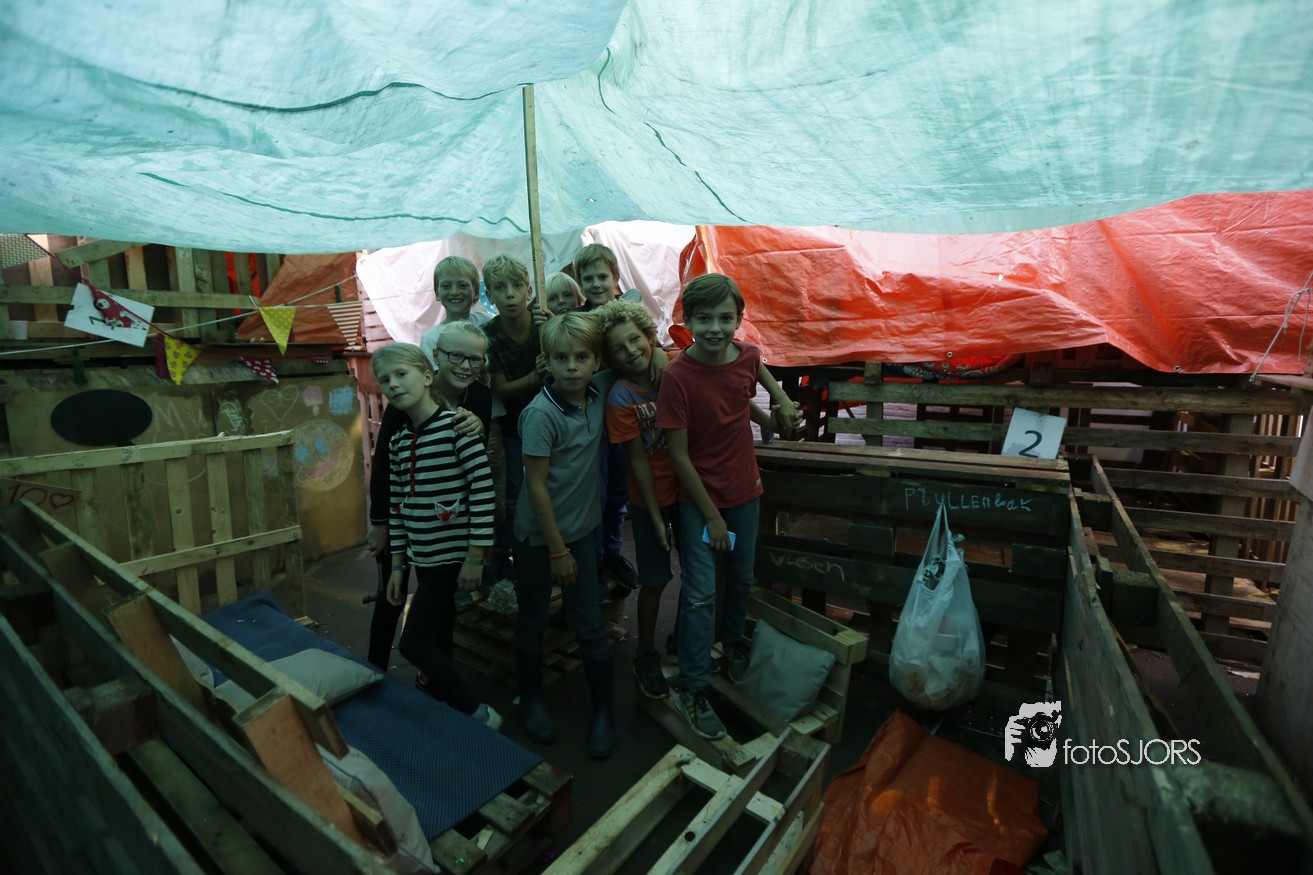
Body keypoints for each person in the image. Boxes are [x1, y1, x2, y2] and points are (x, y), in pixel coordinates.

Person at [655, 272, 801, 740]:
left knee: (740, 578)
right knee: (700, 592)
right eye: (704, 319)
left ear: (739, 320)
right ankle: (694, 685)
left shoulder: (748, 357)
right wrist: (712, 517)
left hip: (745, 492)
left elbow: (747, 397)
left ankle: (734, 643)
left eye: (724, 318)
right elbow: (678, 456)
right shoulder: (677, 376)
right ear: (688, 322)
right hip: (701, 503)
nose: (715, 328)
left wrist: (778, 411)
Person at [372, 343, 500, 729]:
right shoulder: (398, 442)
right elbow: (398, 508)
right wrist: (398, 567)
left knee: (413, 642)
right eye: (385, 380)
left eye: (401, 374)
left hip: (452, 557)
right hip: (422, 557)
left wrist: (476, 555)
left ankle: (478, 713)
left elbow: (483, 491)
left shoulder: (457, 428)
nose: (393, 384)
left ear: (428, 376)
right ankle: (446, 705)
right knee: (440, 634)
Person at [513, 312, 617, 759]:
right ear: (547, 361)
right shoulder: (540, 415)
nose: (572, 367)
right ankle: (531, 700)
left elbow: (649, 357)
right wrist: (557, 551)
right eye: (561, 358)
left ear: (596, 361)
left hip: (582, 530)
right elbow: (535, 487)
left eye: (581, 357)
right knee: (534, 618)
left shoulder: (598, 390)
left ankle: (604, 710)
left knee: (589, 621)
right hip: (540, 538)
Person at [571, 243, 639, 599]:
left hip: (624, 416)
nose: (596, 284)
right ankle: (595, 560)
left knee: (618, 493)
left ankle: (612, 552)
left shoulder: (628, 313)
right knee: (595, 494)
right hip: (592, 421)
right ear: (580, 283)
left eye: (602, 276)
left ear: (615, 277)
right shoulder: (578, 320)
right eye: (588, 279)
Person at [485, 254, 545, 583]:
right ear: (489, 295)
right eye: (500, 288)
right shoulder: (489, 336)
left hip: (550, 425)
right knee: (515, 495)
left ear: (529, 290)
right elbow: (501, 389)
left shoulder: (544, 325)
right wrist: (536, 375)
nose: (510, 294)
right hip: (514, 429)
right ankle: (510, 563)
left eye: (517, 285)